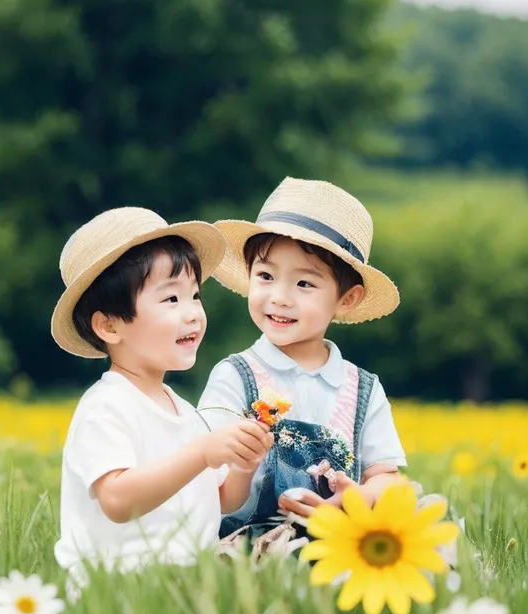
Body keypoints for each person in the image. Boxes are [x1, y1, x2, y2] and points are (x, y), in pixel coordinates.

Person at [51, 206, 274, 588]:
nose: (192, 314)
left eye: (195, 295)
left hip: (185, 584)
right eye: (171, 300)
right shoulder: (106, 407)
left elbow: (221, 500)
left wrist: (244, 464)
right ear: (109, 325)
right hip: (118, 589)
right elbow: (118, 501)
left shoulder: (184, 411)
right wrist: (202, 452)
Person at [198, 177, 407, 542]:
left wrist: (354, 499)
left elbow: (386, 477)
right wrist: (242, 460)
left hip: (338, 540)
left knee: (421, 514)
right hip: (248, 537)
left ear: (347, 299)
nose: (279, 297)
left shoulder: (362, 389)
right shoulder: (235, 376)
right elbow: (206, 475)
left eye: (304, 284)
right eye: (265, 276)